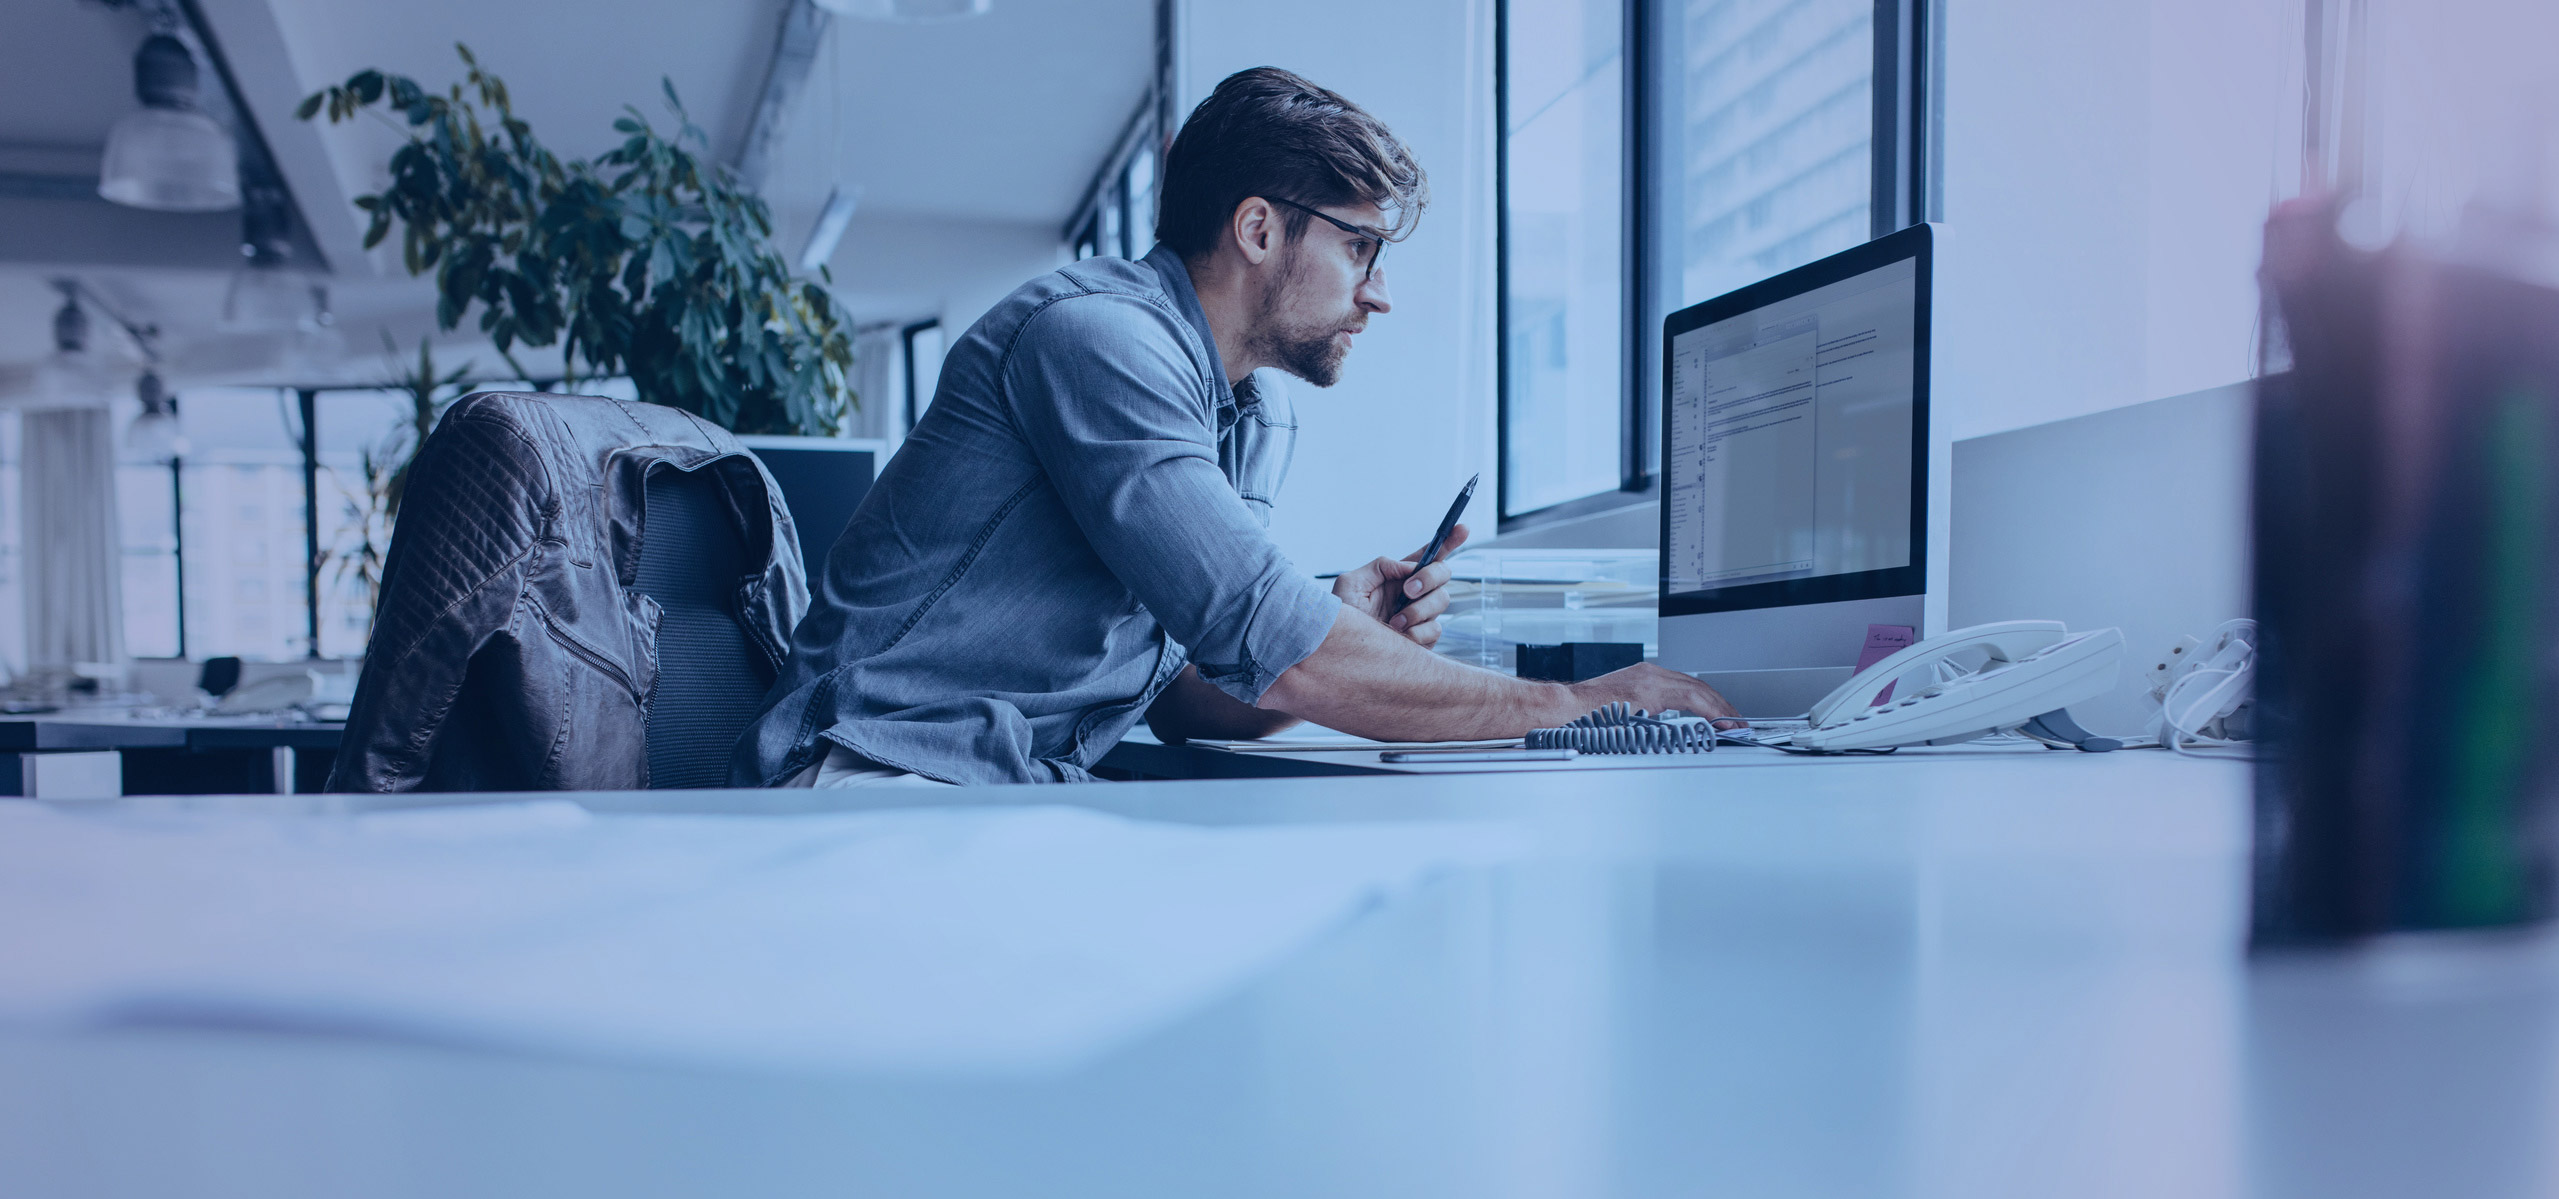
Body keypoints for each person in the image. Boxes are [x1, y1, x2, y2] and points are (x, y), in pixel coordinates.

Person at [731, 66, 1735, 788]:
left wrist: (1339, 622)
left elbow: (1176, 696)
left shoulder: (1252, 410)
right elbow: (1279, 643)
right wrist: (1582, 707)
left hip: (1005, 788)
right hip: (870, 777)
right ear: (1259, 229)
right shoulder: (1096, 343)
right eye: (1361, 247)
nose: (1379, 293)